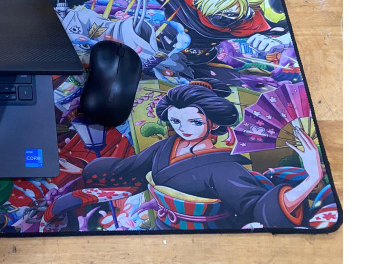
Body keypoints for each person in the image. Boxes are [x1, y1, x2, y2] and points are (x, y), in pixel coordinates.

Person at [78, 78, 323, 230]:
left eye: (194, 122)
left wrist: (312, 178)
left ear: (213, 123)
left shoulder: (224, 168)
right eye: (176, 121)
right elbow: (132, 167)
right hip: (163, 224)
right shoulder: (167, 145)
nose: (183, 129)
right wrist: (87, 170)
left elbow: (258, 208)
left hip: (205, 235)